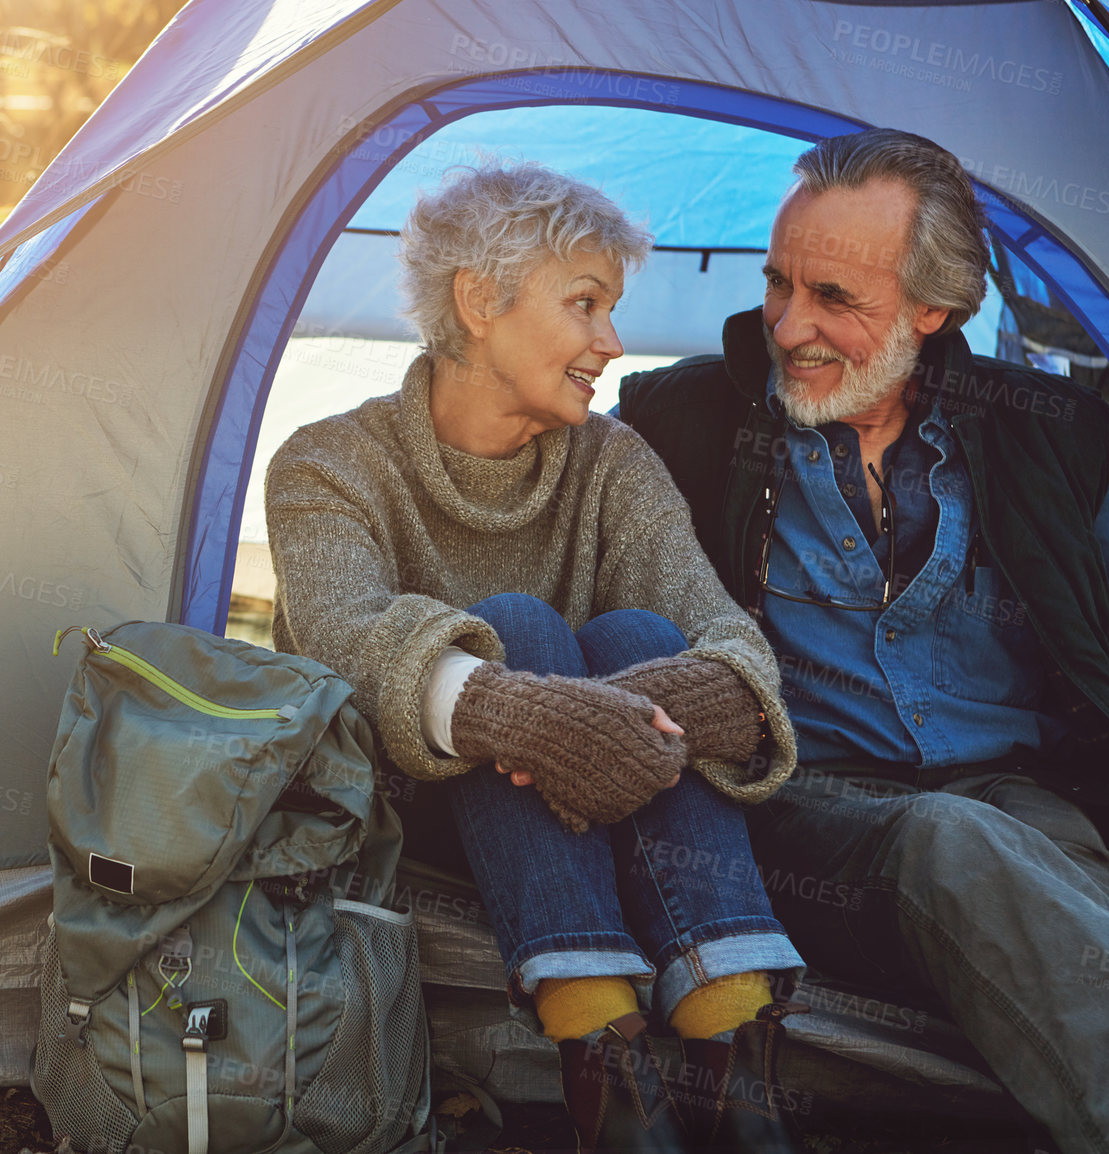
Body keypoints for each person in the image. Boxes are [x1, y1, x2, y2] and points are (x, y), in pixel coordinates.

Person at [617, 127, 1109, 1154]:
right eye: (779, 284)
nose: (788, 325)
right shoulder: (683, 417)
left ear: (936, 309)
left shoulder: (1052, 432)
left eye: (835, 298)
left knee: (1025, 874)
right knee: (947, 841)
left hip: (1021, 804)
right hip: (806, 807)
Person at [266, 162, 807, 1152]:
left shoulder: (612, 461)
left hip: (605, 802)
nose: (612, 342)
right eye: (587, 304)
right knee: (514, 620)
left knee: (645, 638)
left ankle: (734, 1052)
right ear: (479, 300)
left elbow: (734, 644)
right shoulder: (326, 463)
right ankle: (600, 1042)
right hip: (415, 804)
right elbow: (349, 639)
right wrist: (528, 714)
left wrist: (634, 718)